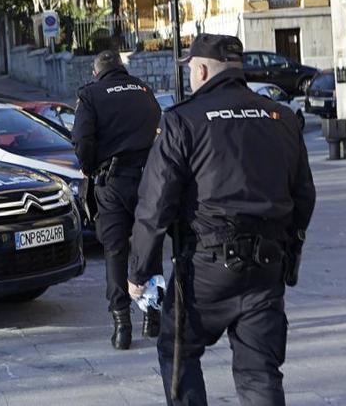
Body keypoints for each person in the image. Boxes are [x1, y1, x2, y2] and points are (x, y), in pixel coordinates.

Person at [127, 34, 316, 405]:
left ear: (200, 69)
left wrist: (138, 272)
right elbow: (304, 196)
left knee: (178, 353)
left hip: (206, 271)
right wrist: (289, 255)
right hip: (265, 266)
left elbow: (155, 205)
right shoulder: (281, 117)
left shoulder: (183, 120)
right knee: (260, 372)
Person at [71, 50, 162, 350]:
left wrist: (89, 166)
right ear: (121, 69)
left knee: (115, 251)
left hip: (112, 181)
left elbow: (82, 140)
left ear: (97, 72)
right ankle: (152, 316)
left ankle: (122, 324)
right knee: (148, 244)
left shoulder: (91, 94)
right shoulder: (144, 90)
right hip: (148, 179)